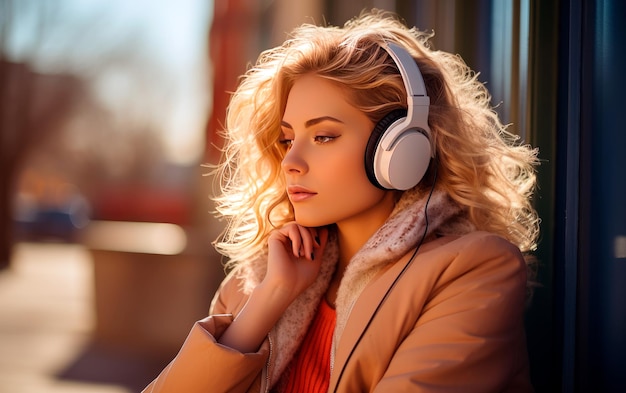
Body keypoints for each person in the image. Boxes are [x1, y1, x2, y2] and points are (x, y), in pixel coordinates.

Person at [143, 9, 539, 393]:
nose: (292, 163)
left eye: (324, 137)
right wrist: (270, 298)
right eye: (286, 139)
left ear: (400, 148)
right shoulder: (257, 281)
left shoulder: (472, 271)